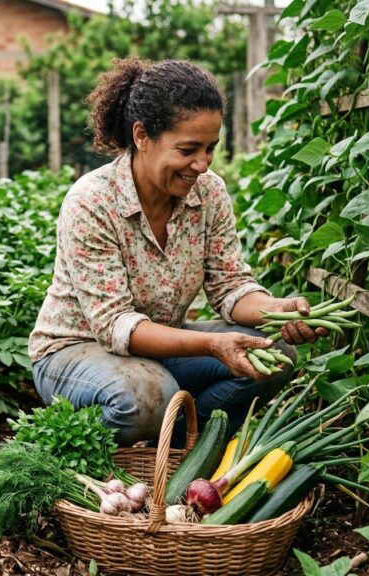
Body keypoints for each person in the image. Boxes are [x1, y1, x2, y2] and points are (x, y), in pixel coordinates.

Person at [28, 58, 326, 445]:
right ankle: (87, 445)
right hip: (76, 351)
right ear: (141, 135)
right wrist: (212, 344)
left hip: (160, 348)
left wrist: (277, 310)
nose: (201, 164)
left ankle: (180, 446)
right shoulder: (93, 201)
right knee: (150, 396)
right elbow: (115, 325)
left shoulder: (209, 192)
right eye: (187, 149)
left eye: (210, 148)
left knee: (274, 354)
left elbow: (230, 286)